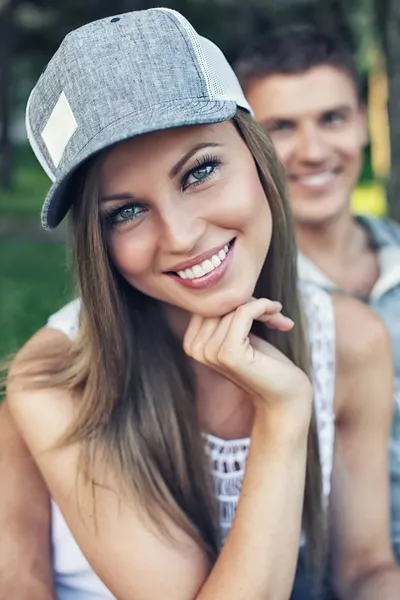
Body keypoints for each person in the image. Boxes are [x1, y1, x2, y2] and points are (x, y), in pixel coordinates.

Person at [3, 9, 400, 600]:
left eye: (200, 171)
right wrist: (285, 412)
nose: (182, 235)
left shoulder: (353, 338)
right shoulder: (58, 380)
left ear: (258, 157)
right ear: (96, 241)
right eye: (126, 211)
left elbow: (365, 568)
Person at [235, 24, 400, 562]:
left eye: (332, 118)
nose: (312, 151)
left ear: (364, 123)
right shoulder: (244, 308)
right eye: (281, 126)